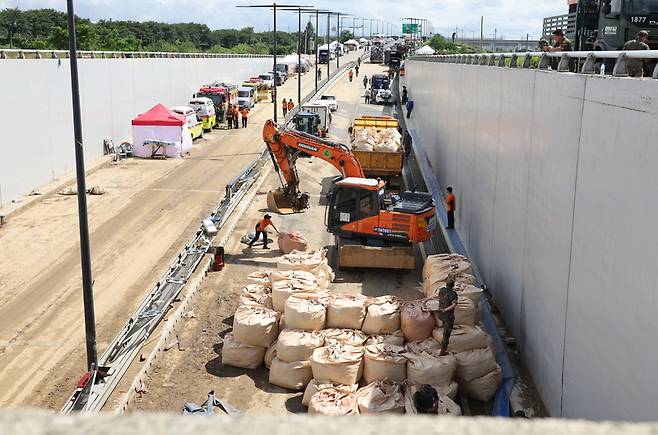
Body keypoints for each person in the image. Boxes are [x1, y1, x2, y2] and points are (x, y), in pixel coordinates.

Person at [436, 278, 458, 356]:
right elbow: (454, 305)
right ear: (453, 286)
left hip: (440, 314)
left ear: (446, 284)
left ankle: (444, 325)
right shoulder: (454, 294)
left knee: (444, 324)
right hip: (448, 316)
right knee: (446, 336)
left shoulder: (441, 290)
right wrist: (446, 310)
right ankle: (442, 352)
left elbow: (439, 298)